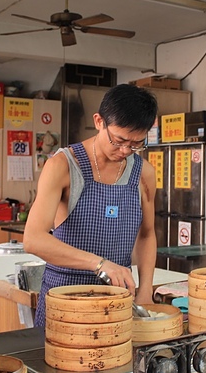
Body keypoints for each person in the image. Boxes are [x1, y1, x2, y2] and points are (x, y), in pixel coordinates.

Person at [23, 83, 158, 327]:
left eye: (136, 144)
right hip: (64, 298)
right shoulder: (63, 166)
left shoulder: (144, 173)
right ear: (99, 121)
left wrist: (145, 288)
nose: (125, 150)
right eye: (118, 140)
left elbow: (147, 235)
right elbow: (33, 239)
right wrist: (99, 264)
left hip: (117, 300)